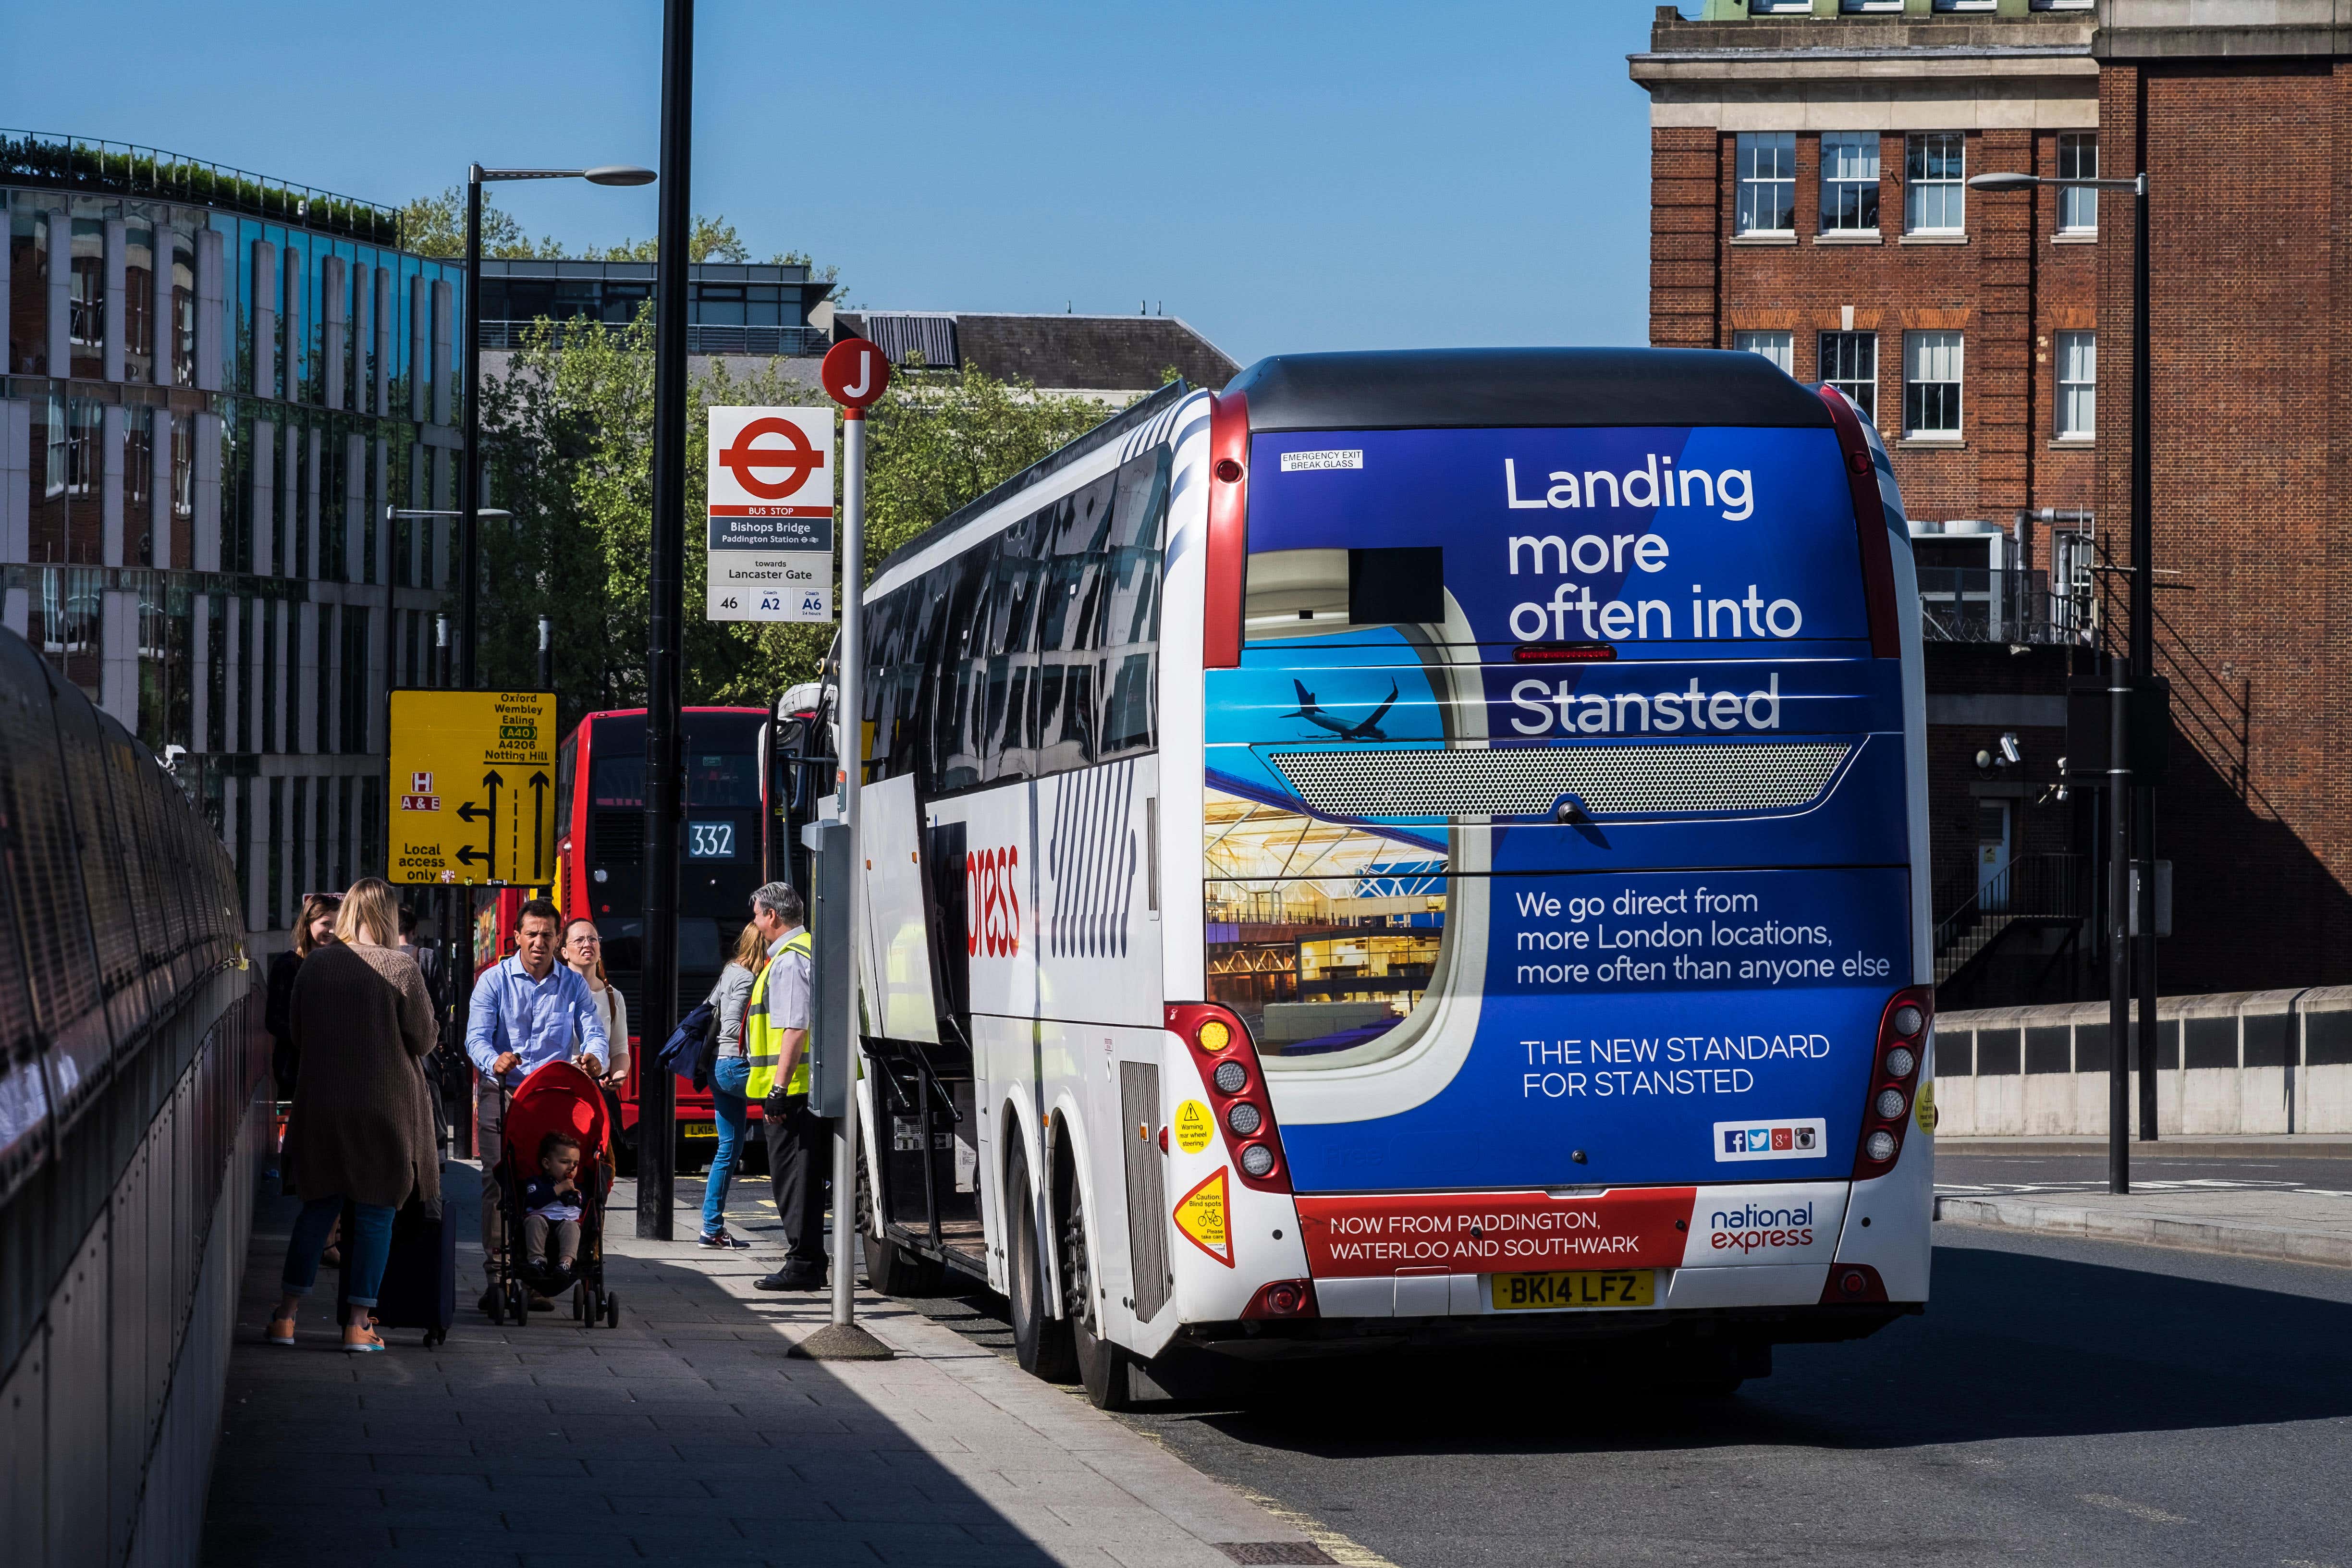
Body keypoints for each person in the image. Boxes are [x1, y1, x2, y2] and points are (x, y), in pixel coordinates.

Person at [268, 878, 439, 1353]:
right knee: (375, 1214)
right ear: (386, 915)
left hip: (320, 1104)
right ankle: (358, 1325)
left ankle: (285, 1318)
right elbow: (424, 1040)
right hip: (384, 1107)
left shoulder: (315, 966)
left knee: (317, 1209)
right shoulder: (401, 968)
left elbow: (297, 1034)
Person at [465, 898, 609, 1315]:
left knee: (552, 1184)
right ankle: (501, 1276)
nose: (540, 942)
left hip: (552, 1101)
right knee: (500, 1185)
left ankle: (539, 1275)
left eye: (548, 935)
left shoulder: (573, 984)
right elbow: (476, 1038)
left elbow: (593, 1032)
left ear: (557, 939)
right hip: (505, 1092)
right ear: (517, 937)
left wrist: (595, 1056)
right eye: (532, 934)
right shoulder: (494, 982)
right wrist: (494, 1059)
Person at [746, 883, 823, 1291]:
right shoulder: (806, 949)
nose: (756, 923)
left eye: (758, 915)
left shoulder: (790, 961)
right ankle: (809, 1260)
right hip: (802, 1088)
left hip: (792, 1091)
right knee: (802, 1178)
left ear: (773, 916)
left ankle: (803, 1264)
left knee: (793, 1180)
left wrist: (777, 1089)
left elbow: (795, 1028)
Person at [697, 922, 764, 1250]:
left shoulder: (730, 970)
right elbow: (733, 1023)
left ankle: (711, 1229)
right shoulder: (749, 978)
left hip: (716, 1067)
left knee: (729, 1149)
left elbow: (711, 1007)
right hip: (734, 1066)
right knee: (792, 1097)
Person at [266, 893, 341, 1102]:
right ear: (308, 923)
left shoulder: (342, 965)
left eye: (337, 924)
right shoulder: (287, 965)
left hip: (334, 1068)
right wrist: (310, 1037)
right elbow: (273, 1020)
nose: (332, 931)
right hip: (295, 1068)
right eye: (326, 923)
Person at [560, 917, 630, 1106]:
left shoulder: (612, 996)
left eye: (593, 939)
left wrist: (618, 1077)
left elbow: (619, 1049)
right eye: (579, 940)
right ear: (564, 952)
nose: (587, 944)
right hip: (561, 1089)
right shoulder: (554, 992)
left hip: (598, 1091)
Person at [521, 1130, 586, 1283]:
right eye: (565, 1162)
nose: (571, 1168)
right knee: (534, 1221)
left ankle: (565, 1263)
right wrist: (558, 1189)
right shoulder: (536, 1182)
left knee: (572, 1227)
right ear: (547, 1164)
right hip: (542, 1217)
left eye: (575, 1164)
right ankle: (537, 1260)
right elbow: (534, 1200)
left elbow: (584, 1205)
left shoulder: (578, 1187)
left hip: (567, 1222)